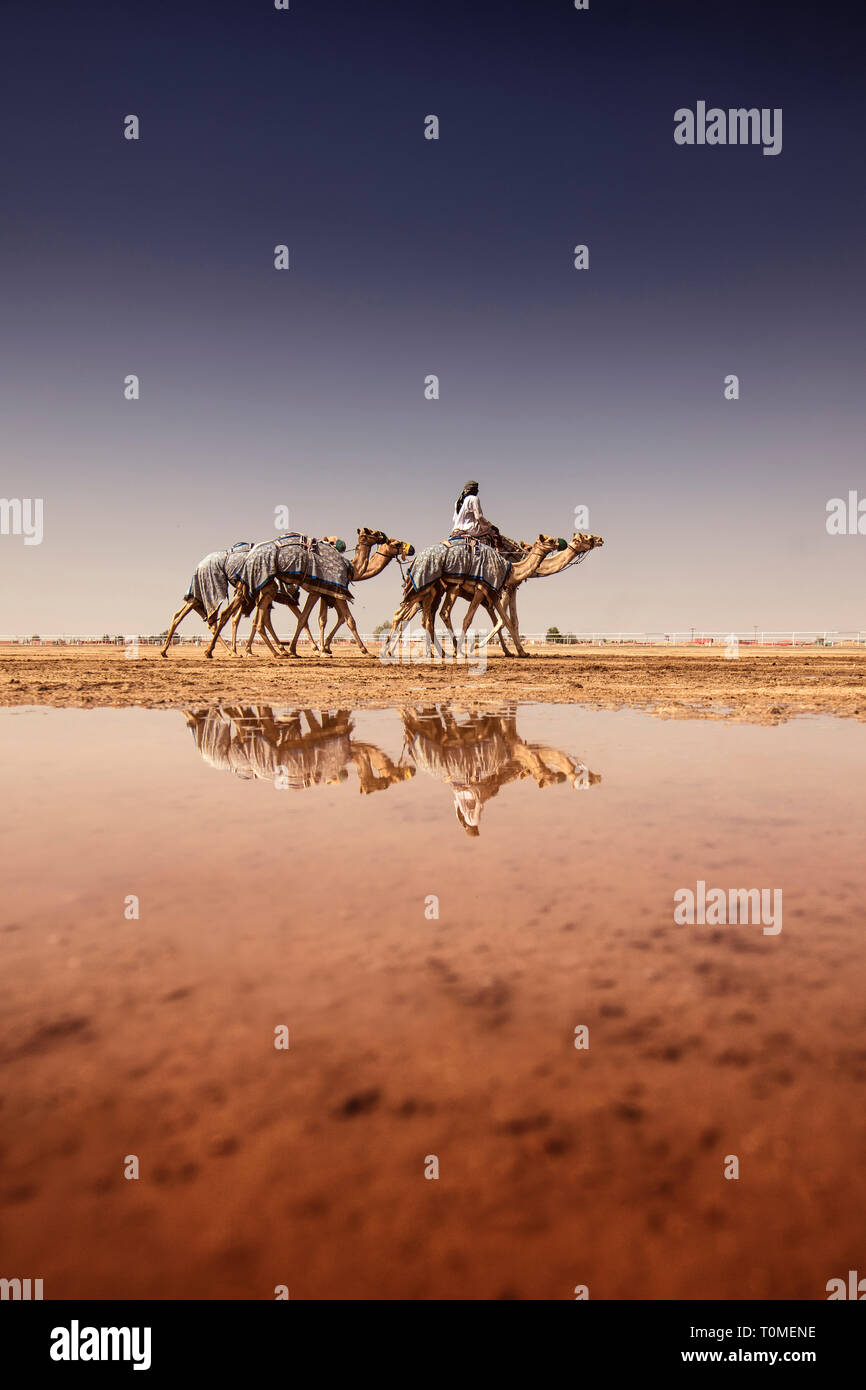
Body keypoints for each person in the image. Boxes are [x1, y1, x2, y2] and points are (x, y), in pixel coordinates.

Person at [450, 481, 519, 555]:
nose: (478, 491)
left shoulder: (458, 502)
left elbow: (454, 519)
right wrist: (490, 526)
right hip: (471, 530)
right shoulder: (473, 498)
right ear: (473, 489)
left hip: (456, 529)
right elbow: (479, 517)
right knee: (494, 532)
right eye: (476, 489)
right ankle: (497, 555)